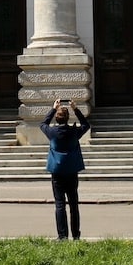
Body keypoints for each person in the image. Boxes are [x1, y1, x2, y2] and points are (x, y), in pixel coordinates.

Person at [40, 98, 90, 240]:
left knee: (60, 204)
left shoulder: (52, 132)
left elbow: (43, 123)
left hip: (57, 172)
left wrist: (53, 108)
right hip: (72, 171)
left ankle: (62, 236)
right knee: (74, 204)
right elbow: (86, 124)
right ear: (68, 118)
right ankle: (76, 235)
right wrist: (75, 109)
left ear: (57, 118)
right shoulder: (74, 132)